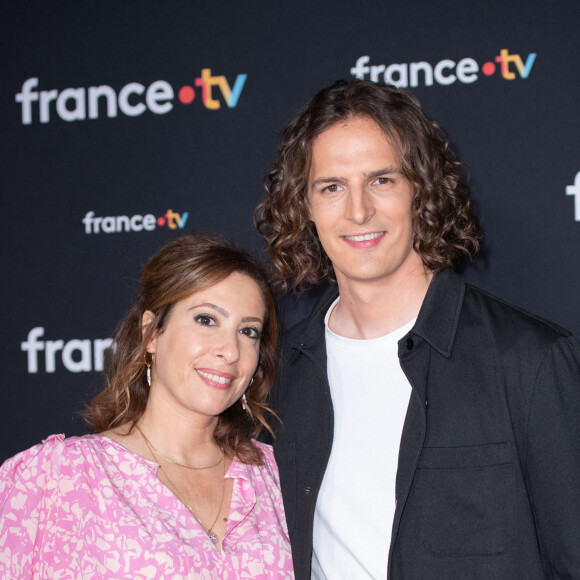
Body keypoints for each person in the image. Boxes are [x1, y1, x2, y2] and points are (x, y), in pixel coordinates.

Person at [255, 79, 580, 579]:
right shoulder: (279, 376)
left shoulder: (530, 362)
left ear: (420, 190)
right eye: (332, 187)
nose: (358, 210)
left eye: (381, 180)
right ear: (306, 207)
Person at [0, 233, 294, 578]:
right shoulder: (58, 477)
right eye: (206, 320)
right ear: (152, 333)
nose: (230, 350)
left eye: (248, 332)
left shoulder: (277, 476)